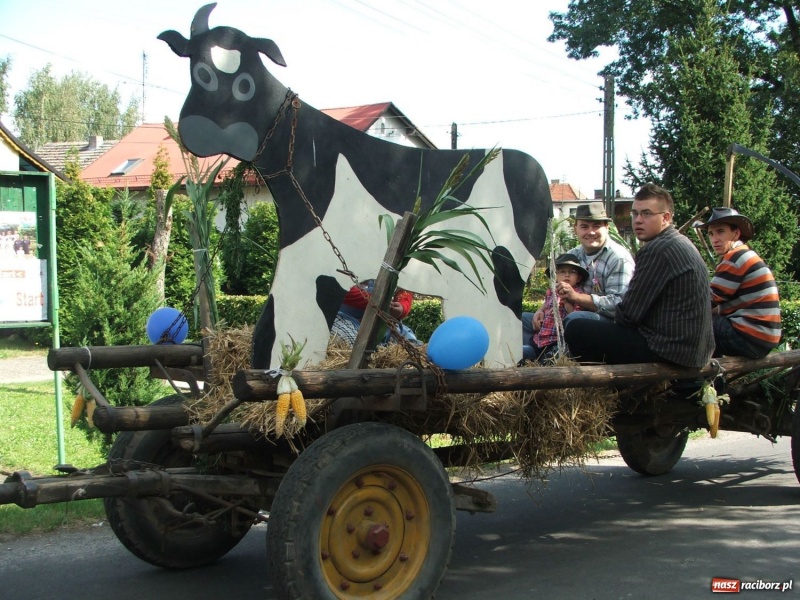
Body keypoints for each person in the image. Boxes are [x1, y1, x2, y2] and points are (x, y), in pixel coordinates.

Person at [564, 183, 714, 368]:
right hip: (691, 349)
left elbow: (629, 315)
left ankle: (605, 389)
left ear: (666, 218)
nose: (638, 220)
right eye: (635, 213)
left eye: (647, 214)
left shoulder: (658, 250)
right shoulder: (677, 242)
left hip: (670, 350)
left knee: (577, 329)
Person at [522, 204, 634, 350]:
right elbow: (554, 291)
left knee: (575, 320)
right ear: (576, 229)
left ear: (606, 228)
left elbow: (620, 306)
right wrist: (540, 310)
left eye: (596, 226)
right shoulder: (573, 255)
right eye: (584, 226)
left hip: (603, 321)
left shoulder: (618, 258)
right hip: (566, 314)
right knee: (524, 319)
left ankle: (561, 356)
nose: (591, 232)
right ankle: (532, 353)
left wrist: (577, 297)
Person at [694, 207, 781, 358]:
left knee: (692, 325)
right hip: (763, 339)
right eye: (710, 233)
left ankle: (691, 379)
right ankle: (713, 377)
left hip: (750, 337)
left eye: (720, 232)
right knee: (705, 321)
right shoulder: (746, 255)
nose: (714, 239)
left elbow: (706, 300)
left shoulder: (735, 258)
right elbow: (722, 305)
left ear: (736, 233)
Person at [523, 253, 587, 363]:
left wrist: (567, 302)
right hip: (540, 338)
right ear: (555, 275)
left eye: (572, 272)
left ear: (578, 278)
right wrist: (540, 313)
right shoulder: (551, 291)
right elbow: (547, 306)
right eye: (562, 272)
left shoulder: (578, 294)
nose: (567, 275)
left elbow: (575, 317)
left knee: (550, 360)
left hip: (556, 341)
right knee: (524, 354)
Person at [331, 279, 421, 346]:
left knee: (413, 344)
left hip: (386, 322)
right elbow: (338, 287)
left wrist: (401, 307)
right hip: (348, 318)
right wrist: (376, 302)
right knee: (350, 344)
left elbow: (405, 290)